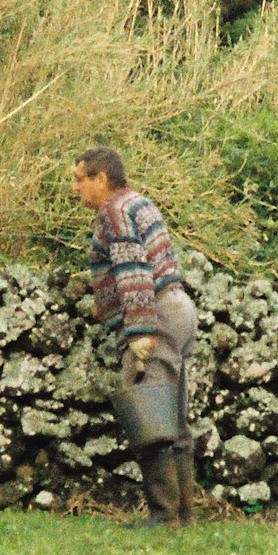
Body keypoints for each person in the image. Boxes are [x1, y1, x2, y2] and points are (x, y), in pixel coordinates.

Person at [74, 145, 195, 527]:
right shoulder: (138, 202)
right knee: (174, 417)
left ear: (101, 178)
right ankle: (184, 515)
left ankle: (164, 515)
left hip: (154, 314)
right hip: (178, 308)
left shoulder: (113, 211)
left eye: (80, 180)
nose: (76, 188)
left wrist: (139, 332)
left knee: (149, 417)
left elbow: (132, 269)